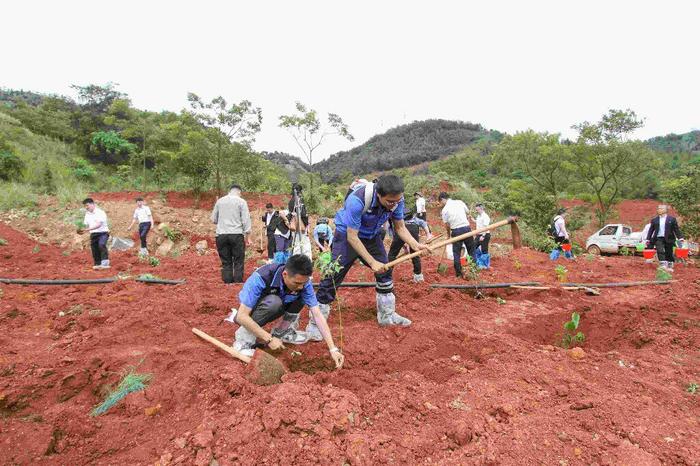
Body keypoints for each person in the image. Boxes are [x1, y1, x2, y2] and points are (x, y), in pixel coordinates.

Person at [311, 175, 431, 337]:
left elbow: (400, 227)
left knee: (385, 269)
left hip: (372, 235)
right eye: (390, 202)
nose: (394, 205)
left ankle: (386, 315)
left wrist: (416, 245)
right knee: (334, 275)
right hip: (347, 235)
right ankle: (316, 324)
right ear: (379, 194)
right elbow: (352, 236)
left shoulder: (396, 201)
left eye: (398, 201)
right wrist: (372, 262)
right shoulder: (357, 200)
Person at [229, 254, 344, 368]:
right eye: (297, 283)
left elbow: (317, 315)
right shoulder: (261, 277)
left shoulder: (303, 284)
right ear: (285, 274)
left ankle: (281, 333)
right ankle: (243, 340)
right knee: (274, 302)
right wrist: (269, 339)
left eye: (303, 283)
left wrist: (333, 349)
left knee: (301, 297)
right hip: (252, 311)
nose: (300, 287)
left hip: (279, 304)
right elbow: (241, 316)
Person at [211, 184, 252, 283]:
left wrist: (222, 221)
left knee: (226, 260)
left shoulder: (220, 201)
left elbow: (213, 219)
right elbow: (246, 220)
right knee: (238, 259)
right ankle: (238, 281)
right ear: (239, 192)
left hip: (221, 234)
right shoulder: (241, 202)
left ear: (230, 191)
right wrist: (248, 236)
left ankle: (227, 281)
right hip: (236, 234)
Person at [388, 209, 432, 283]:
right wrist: (428, 234)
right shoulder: (415, 219)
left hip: (401, 230)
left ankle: (386, 277)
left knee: (392, 254)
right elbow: (424, 223)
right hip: (413, 228)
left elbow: (395, 234)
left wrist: (404, 246)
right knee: (415, 254)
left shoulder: (395, 221)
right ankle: (418, 277)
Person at [439, 192, 475, 277]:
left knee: (456, 253)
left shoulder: (444, 210)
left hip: (456, 231)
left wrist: (448, 235)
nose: (441, 204)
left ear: (443, 199)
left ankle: (458, 274)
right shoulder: (460, 202)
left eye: (441, 202)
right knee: (471, 250)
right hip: (466, 229)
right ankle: (473, 270)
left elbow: (447, 225)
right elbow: (468, 212)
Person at [646, 204, 684, 271]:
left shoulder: (672, 219)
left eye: (661, 208)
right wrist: (648, 239)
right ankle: (662, 264)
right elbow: (651, 230)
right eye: (658, 208)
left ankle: (669, 264)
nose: (659, 210)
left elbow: (676, 229)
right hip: (658, 238)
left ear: (665, 210)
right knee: (659, 250)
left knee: (669, 251)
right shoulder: (654, 220)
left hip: (669, 238)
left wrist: (680, 238)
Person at [81, 198, 110, 270]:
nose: (86, 207)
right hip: (93, 234)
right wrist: (81, 229)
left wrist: (87, 229)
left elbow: (99, 224)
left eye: (87, 205)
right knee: (94, 248)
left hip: (103, 232)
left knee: (101, 244)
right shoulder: (87, 214)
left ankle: (105, 263)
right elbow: (85, 225)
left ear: (92, 204)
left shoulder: (100, 212)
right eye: (85, 206)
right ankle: (97, 263)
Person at [287, 184, 313, 260]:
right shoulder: (298, 201)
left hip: (296, 226)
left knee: (296, 245)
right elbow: (302, 214)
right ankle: (303, 262)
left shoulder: (291, 201)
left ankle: (297, 261)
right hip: (300, 225)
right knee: (303, 246)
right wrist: (306, 224)